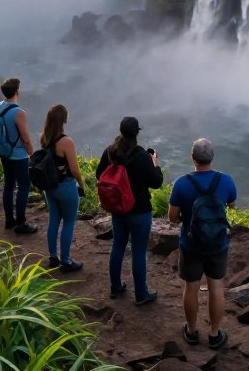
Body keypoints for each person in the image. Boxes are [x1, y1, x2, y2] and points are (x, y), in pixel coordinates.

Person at [168, 138, 238, 351]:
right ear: (212, 157)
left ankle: (191, 331)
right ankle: (215, 334)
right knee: (216, 286)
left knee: (191, 286)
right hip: (218, 244)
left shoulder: (181, 183)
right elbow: (232, 205)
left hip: (190, 244)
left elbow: (172, 217)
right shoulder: (226, 181)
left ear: (192, 157)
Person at [95, 116, 163, 305]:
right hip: (140, 211)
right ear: (137, 133)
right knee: (138, 253)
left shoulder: (111, 152)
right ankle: (141, 295)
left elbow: (99, 174)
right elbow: (156, 183)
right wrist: (155, 163)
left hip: (118, 210)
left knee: (117, 246)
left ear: (121, 131)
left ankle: (115, 287)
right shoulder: (142, 156)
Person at [40, 104, 85, 272]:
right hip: (65, 186)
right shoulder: (66, 141)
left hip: (50, 186)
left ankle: (53, 257)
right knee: (68, 223)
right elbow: (74, 169)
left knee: (53, 220)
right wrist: (81, 184)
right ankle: (66, 261)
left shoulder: (44, 137)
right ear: (64, 119)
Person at [0, 78, 37, 234]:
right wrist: (31, 154)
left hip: (5, 153)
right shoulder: (18, 112)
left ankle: (9, 220)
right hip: (18, 155)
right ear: (17, 91)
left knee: (9, 185)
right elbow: (25, 138)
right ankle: (21, 223)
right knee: (23, 187)